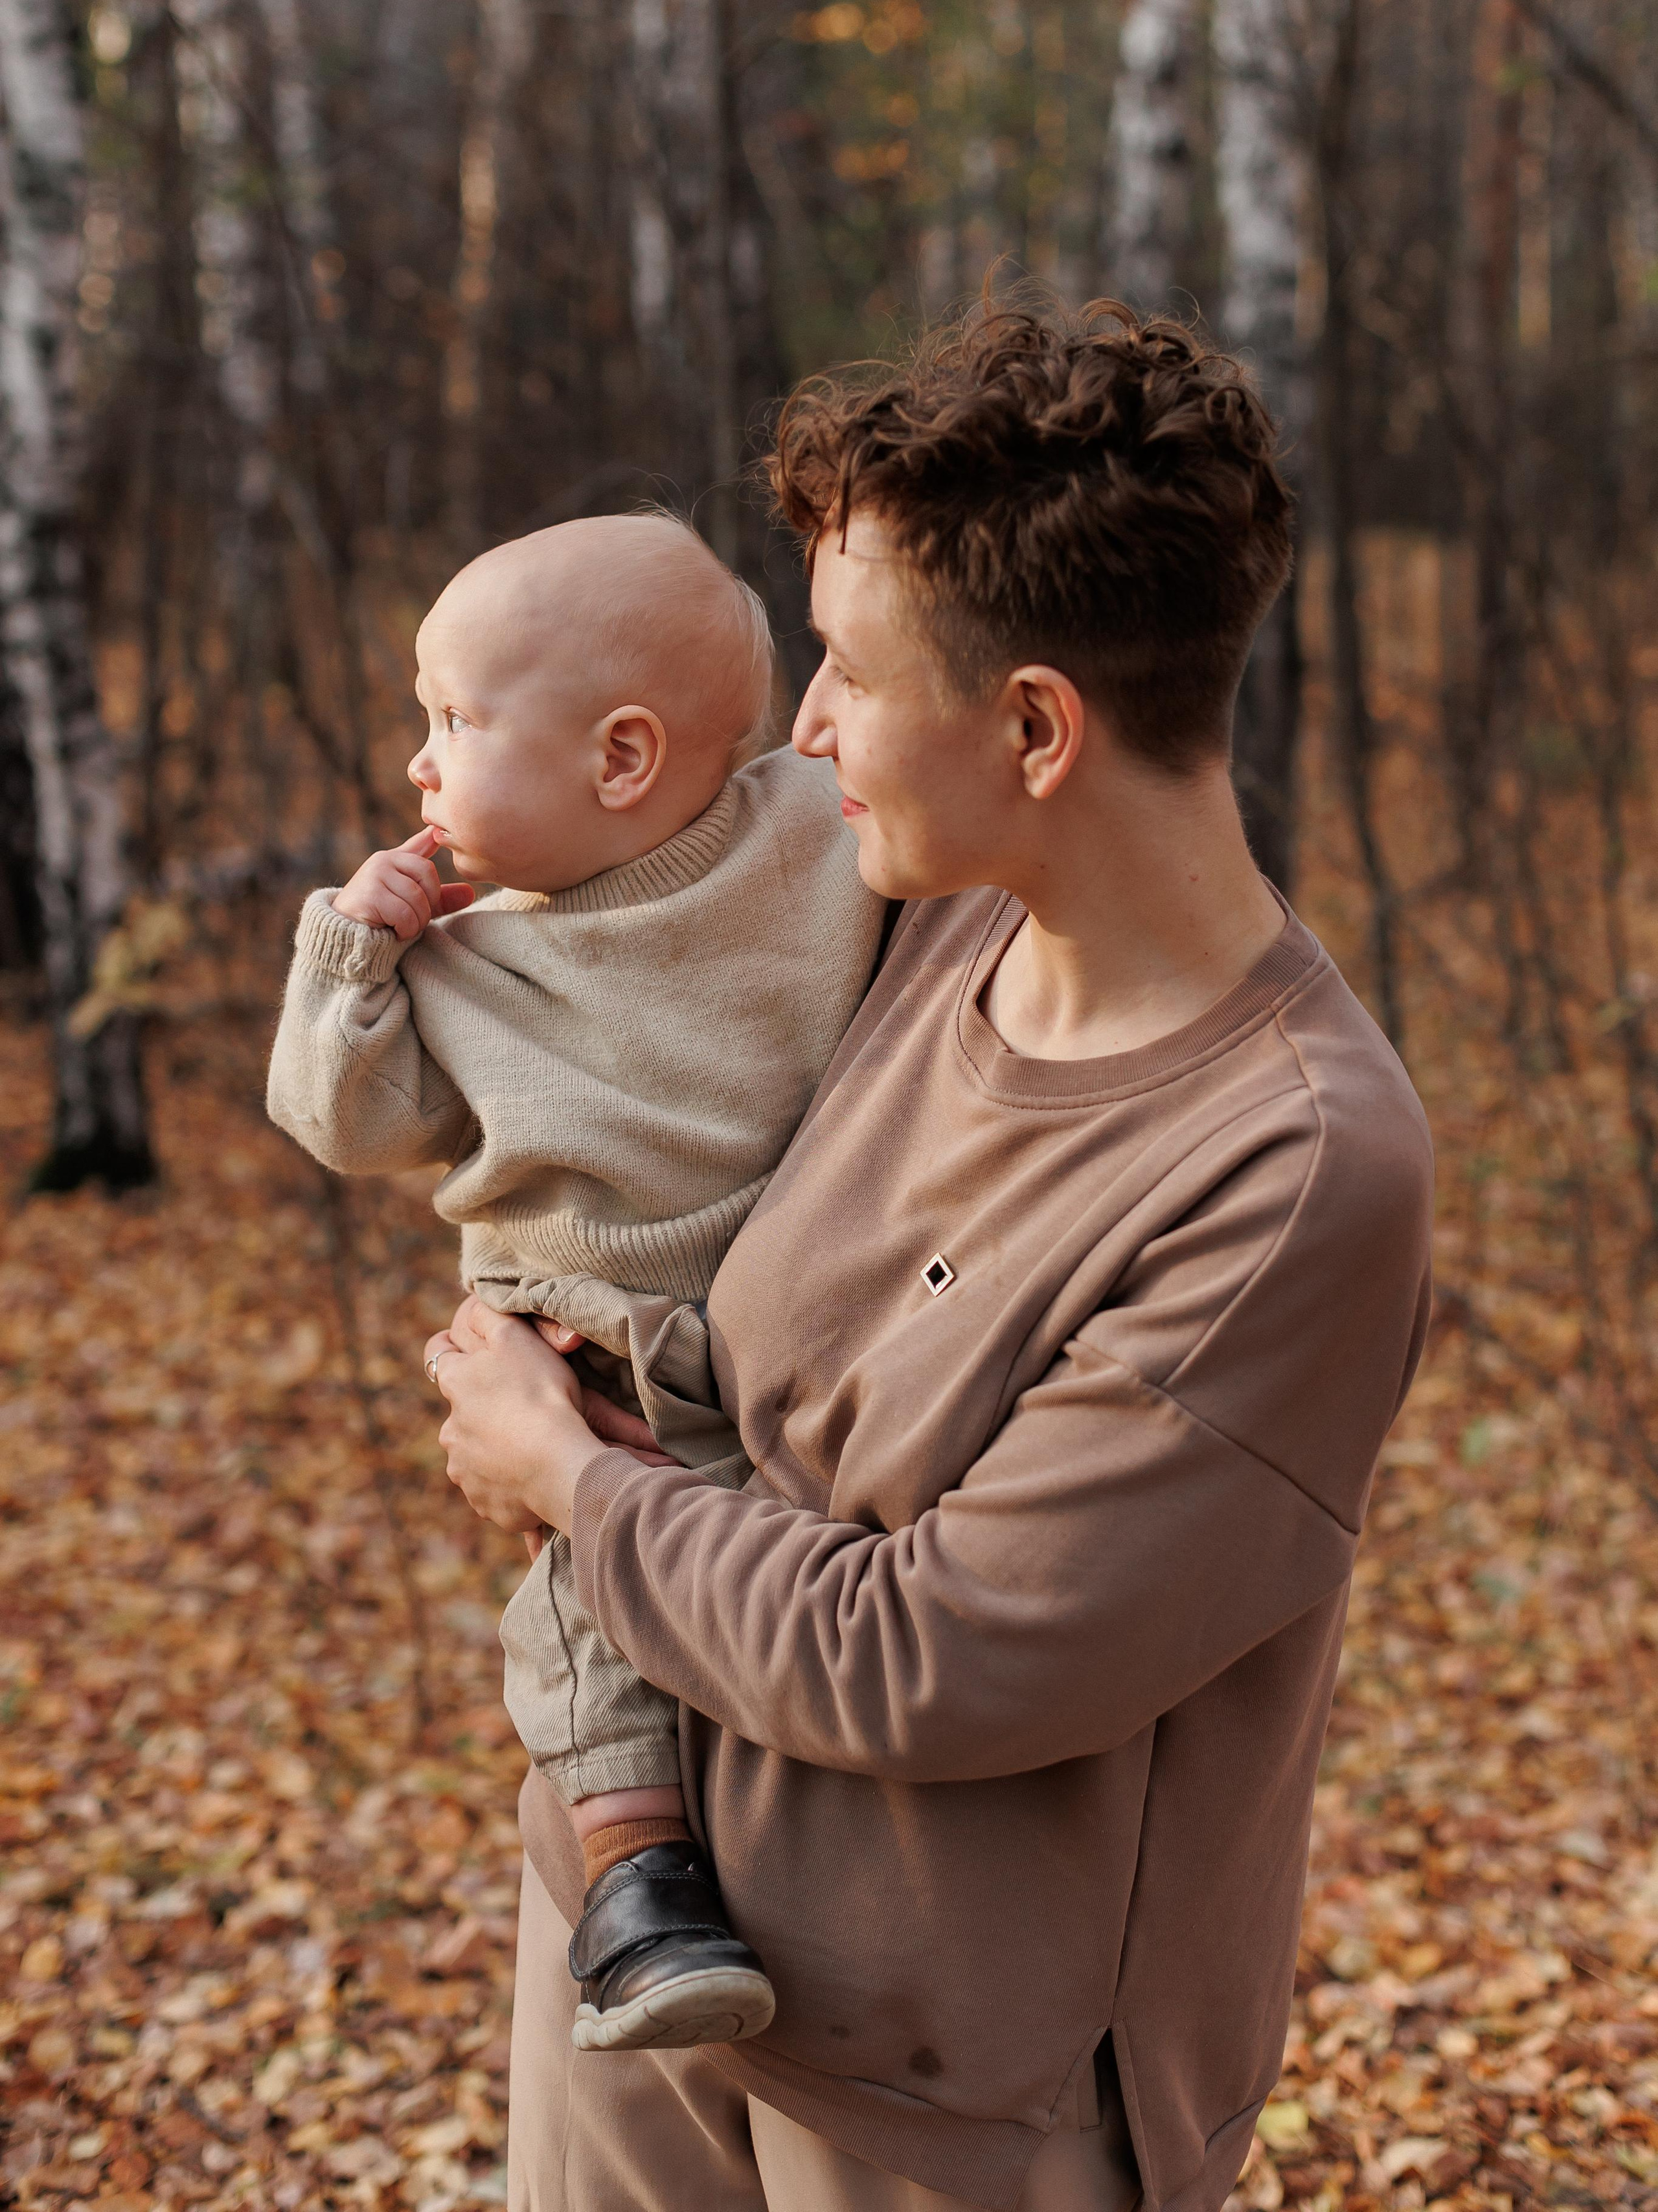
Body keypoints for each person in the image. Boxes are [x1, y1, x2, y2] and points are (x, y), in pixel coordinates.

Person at [429, 301, 1436, 2212]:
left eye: (850, 671)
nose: (804, 726)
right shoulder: (925, 926)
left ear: (1036, 729)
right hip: (640, 1961)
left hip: (949, 2099)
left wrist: (571, 1483)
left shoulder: (1292, 1172)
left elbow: (938, 1657)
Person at [266, 513, 886, 2051]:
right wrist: (350, 955)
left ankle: (685, 1873)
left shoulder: (815, 833)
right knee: (591, 1613)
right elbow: (342, 1123)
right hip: (592, 1352)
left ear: (621, 758)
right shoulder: (463, 959)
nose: (417, 763)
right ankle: (644, 1891)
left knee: (664, 1598)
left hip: (774, 1340)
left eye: (454, 721)